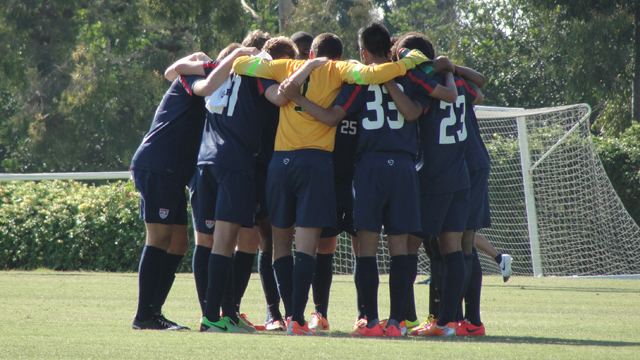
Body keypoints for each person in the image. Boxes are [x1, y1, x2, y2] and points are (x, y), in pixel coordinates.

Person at [233, 32, 431, 335]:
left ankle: (288, 317)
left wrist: (271, 62)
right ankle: (382, 321)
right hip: (320, 162)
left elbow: (242, 66)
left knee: (279, 243)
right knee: (317, 246)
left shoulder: (285, 67)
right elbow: (372, 74)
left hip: (280, 162)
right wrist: (411, 60)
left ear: (310, 53)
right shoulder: (340, 70)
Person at [130, 49, 234, 330]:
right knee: (159, 237)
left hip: (173, 173)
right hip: (158, 165)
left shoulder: (218, 87)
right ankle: (144, 316)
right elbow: (185, 71)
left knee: (178, 243)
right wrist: (239, 56)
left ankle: (154, 311)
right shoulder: (193, 76)